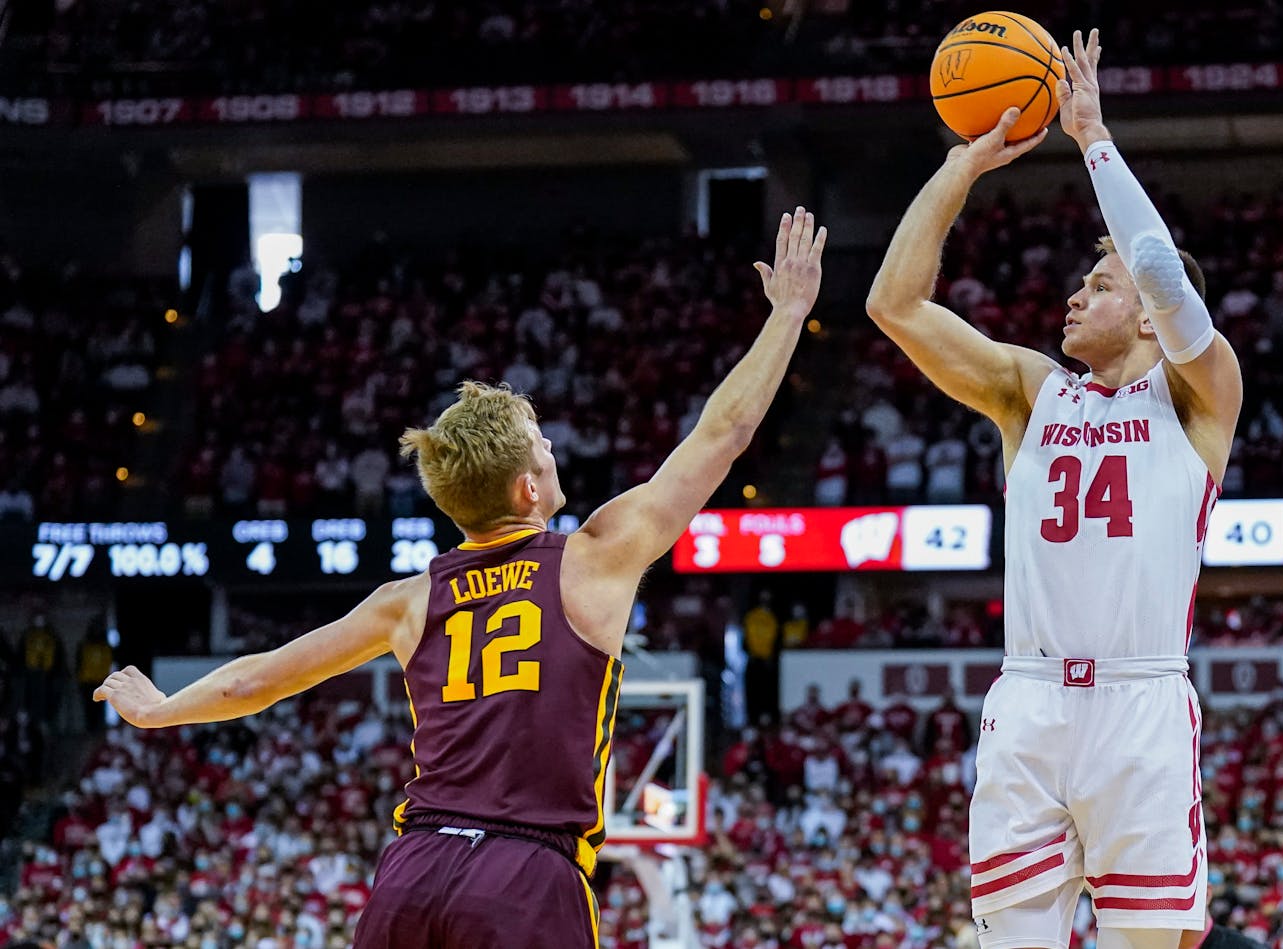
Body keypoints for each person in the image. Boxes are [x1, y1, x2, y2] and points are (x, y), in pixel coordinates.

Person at [94, 207, 829, 949]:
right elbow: (724, 432)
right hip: (528, 876)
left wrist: (158, 709)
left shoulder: (407, 601)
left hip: (411, 873)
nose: (551, 447)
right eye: (541, 444)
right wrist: (789, 315)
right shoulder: (595, 554)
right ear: (527, 491)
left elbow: (259, 681)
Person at [866, 29, 1242, 949]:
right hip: (1030, 696)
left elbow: (1157, 266)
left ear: (1153, 323)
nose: (1076, 294)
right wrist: (962, 166)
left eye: (1098, 283)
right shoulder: (1030, 392)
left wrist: (1092, 137)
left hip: (1139, 700)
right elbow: (894, 304)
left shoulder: (1201, 396)